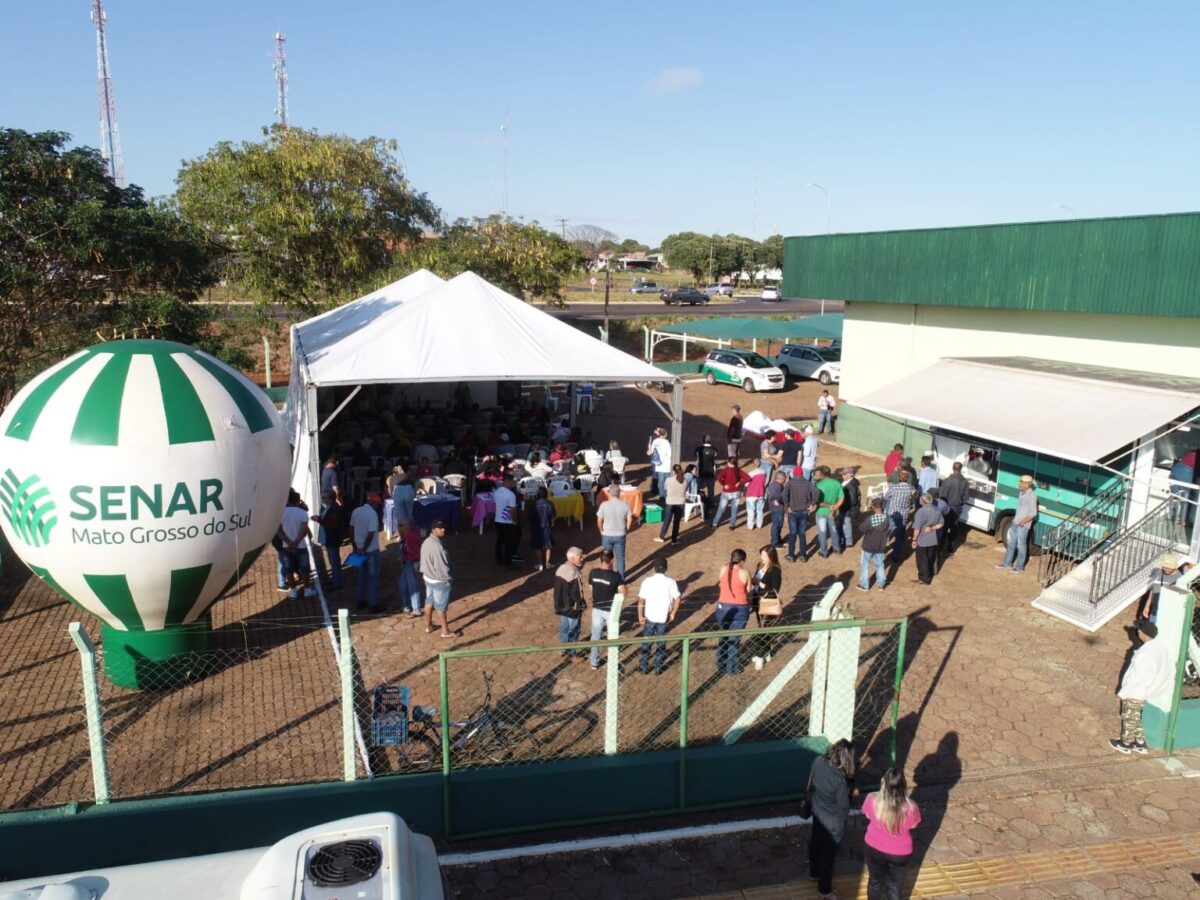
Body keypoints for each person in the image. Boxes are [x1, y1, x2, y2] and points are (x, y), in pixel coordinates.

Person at [1110, 620, 1176, 754]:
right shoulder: (1159, 649)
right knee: (1135, 716)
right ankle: (1140, 742)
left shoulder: (1145, 654)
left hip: (1137, 690)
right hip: (1148, 690)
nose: (1137, 632)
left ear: (1145, 634)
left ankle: (1126, 743)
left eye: (1139, 630)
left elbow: (1136, 678)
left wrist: (1124, 693)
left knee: (1129, 716)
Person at [863, 768, 922, 900]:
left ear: (883, 783)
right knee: (894, 885)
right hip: (900, 853)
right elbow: (914, 824)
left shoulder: (872, 799)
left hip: (873, 847)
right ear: (903, 785)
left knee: (875, 881)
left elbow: (867, 815)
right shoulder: (911, 807)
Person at [808, 739, 857, 900]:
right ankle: (824, 890)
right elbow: (843, 806)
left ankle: (813, 872)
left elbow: (811, 781)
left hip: (817, 808)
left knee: (815, 842)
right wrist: (852, 795)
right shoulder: (840, 780)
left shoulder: (818, 761)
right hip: (833, 821)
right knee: (828, 856)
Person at [637, 557, 681, 675]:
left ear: (654, 568)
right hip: (663, 618)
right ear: (666, 568)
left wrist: (640, 616)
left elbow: (641, 601)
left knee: (647, 641)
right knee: (661, 642)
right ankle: (658, 666)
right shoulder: (671, 582)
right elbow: (677, 598)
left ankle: (644, 665)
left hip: (649, 618)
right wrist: (673, 613)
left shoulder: (647, 581)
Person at [421, 520, 461, 638]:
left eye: (443, 527)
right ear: (433, 530)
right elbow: (442, 567)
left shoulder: (426, 542)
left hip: (428, 578)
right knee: (441, 607)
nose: (443, 530)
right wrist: (448, 578)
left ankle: (428, 626)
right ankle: (445, 631)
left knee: (429, 602)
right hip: (439, 581)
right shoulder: (438, 547)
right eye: (440, 528)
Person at [714, 549, 751, 675]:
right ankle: (732, 668)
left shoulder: (723, 569)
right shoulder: (745, 572)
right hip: (740, 607)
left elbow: (721, 580)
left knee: (723, 635)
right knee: (734, 639)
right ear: (742, 561)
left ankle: (720, 663)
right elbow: (749, 589)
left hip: (723, 607)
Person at [588, 548, 625, 669]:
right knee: (612, 635)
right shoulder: (615, 576)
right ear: (612, 560)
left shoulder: (593, 573)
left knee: (595, 635)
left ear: (600, 559)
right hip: (611, 610)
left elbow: (591, 588)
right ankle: (613, 662)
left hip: (597, 608)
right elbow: (623, 592)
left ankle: (594, 661)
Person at [277, 490, 316, 600]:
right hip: (301, 546)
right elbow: (303, 531)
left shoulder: (281, 513)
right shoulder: (302, 513)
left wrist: (289, 543)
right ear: (298, 501)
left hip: (286, 546)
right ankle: (307, 590)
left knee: (289, 569)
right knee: (304, 569)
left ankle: (293, 591)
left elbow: (279, 531)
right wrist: (295, 542)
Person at [996, 474, 1038, 573]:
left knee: (1021, 545)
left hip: (1023, 525)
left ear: (1027, 485)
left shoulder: (1032, 496)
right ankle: (1007, 563)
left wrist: (1023, 522)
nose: (1020, 484)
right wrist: (1015, 520)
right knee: (1011, 543)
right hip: (1015, 522)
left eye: (1022, 482)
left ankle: (1019, 567)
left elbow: (1033, 513)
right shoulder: (1021, 493)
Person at [348, 493, 383, 612]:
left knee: (361, 576)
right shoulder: (372, 514)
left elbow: (351, 529)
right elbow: (371, 533)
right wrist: (364, 548)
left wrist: (355, 546)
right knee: (373, 577)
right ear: (374, 503)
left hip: (358, 549)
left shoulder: (356, 511)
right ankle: (373, 604)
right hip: (371, 550)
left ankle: (361, 601)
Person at [554, 547, 587, 662]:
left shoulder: (560, 569)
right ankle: (572, 654)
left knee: (564, 627)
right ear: (572, 558)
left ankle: (562, 648)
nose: (582, 558)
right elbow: (577, 593)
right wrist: (582, 604)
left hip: (562, 605)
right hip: (573, 607)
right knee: (574, 630)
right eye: (580, 556)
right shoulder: (574, 573)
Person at [596, 486, 633, 578]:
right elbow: (630, 519)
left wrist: (601, 531)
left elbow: (599, 520)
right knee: (620, 557)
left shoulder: (604, 504)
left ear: (610, 493)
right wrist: (627, 528)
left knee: (607, 557)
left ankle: (609, 577)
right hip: (620, 534)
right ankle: (621, 579)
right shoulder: (625, 504)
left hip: (607, 535)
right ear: (619, 493)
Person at [311, 490, 345, 590]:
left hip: (333, 538)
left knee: (334, 560)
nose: (322, 499)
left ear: (330, 499)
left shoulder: (334, 509)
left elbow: (332, 524)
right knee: (331, 559)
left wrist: (319, 520)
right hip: (328, 538)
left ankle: (337, 583)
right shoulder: (325, 508)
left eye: (324, 498)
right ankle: (335, 580)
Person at [1135, 553, 1182, 624]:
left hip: (1168, 613)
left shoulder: (1180, 578)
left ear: (1175, 567)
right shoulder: (1158, 573)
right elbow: (1153, 590)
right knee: (1151, 631)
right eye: (1164, 567)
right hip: (1154, 610)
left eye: (1169, 568)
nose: (1166, 569)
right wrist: (1147, 606)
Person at [784, 469, 817, 563]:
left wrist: (787, 506)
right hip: (804, 511)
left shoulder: (790, 483)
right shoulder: (807, 483)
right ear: (802, 474)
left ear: (794, 474)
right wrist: (812, 503)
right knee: (802, 533)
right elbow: (816, 492)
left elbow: (784, 494)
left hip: (793, 511)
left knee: (792, 533)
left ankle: (791, 555)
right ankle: (803, 556)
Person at [857, 498, 890, 591]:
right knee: (880, 564)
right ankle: (881, 584)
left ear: (874, 506)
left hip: (868, 545)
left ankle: (865, 585)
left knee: (865, 565)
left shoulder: (870, 519)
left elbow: (862, 528)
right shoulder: (887, 518)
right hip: (880, 545)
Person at [911, 492, 944, 586]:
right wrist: (932, 528)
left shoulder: (921, 512)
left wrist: (914, 540)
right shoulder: (937, 510)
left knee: (922, 560)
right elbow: (941, 524)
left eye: (921, 499)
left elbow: (917, 528)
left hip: (922, 539)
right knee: (930, 558)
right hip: (933, 539)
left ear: (923, 501)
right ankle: (928, 575)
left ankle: (924, 579)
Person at [884, 470, 916, 567]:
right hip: (904, 515)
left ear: (898, 478)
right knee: (899, 537)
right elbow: (912, 499)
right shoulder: (911, 488)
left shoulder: (894, 487)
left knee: (886, 533)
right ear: (907, 478)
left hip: (893, 513)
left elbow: (886, 496)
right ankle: (895, 556)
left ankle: (880, 550)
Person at [813, 466, 845, 557]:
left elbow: (817, 502)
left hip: (821, 512)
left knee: (822, 532)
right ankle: (837, 549)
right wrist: (835, 507)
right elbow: (841, 498)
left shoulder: (818, 485)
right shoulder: (837, 483)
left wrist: (828, 506)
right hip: (833, 512)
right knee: (834, 531)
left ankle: (824, 552)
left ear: (821, 474)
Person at [492, 473, 522, 568]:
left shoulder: (496, 492)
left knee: (500, 540)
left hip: (498, 520)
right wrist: (515, 521)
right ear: (508, 482)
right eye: (513, 482)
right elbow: (513, 511)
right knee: (510, 542)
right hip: (508, 521)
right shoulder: (511, 495)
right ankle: (508, 562)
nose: (514, 483)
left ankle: (499, 559)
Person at [395, 517, 423, 617]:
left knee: (413, 586)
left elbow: (415, 553)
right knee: (403, 585)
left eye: (401, 525)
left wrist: (404, 557)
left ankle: (416, 609)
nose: (399, 528)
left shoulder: (411, 537)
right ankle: (406, 605)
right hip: (406, 563)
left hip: (411, 563)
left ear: (408, 526)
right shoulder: (405, 536)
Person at [939, 461, 969, 554]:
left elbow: (942, 495)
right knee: (954, 527)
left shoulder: (947, 481)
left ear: (953, 468)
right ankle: (950, 548)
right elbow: (966, 496)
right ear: (961, 469)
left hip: (947, 506)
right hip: (957, 507)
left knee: (943, 527)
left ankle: (940, 547)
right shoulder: (965, 482)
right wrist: (961, 503)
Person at [712, 458, 751, 530]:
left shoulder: (726, 470)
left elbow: (718, 477)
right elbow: (748, 478)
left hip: (726, 492)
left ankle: (715, 523)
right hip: (736, 492)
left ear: (728, 462)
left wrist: (723, 484)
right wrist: (740, 483)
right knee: (734, 510)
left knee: (721, 509)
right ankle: (732, 525)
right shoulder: (738, 471)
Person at [751, 544, 783, 624]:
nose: (762, 558)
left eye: (765, 556)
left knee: (766, 624)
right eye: (761, 555)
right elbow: (756, 578)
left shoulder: (775, 570)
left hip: (767, 602)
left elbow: (775, 590)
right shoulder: (760, 565)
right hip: (757, 598)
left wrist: (760, 584)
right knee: (759, 621)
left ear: (771, 557)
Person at [656, 464, 687, 544]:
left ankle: (661, 537)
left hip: (670, 502)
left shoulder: (669, 480)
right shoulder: (685, 480)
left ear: (673, 471)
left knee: (667, 520)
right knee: (676, 522)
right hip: (680, 503)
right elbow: (685, 489)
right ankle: (674, 540)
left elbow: (665, 488)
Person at [529, 486, 556, 572]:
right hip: (547, 526)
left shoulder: (534, 504)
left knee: (538, 546)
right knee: (548, 545)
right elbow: (553, 515)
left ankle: (540, 564)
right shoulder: (550, 503)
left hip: (537, 527)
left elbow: (531, 516)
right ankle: (547, 563)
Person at [837, 466, 861, 549]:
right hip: (846, 508)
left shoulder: (851, 485)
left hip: (848, 509)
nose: (843, 476)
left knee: (846, 524)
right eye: (843, 474)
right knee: (845, 524)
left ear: (850, 475)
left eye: (844, 474)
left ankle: (849, 541)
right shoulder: (849, 483)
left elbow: (853, 500)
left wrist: (840, 504)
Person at [647, 427, 673, 500]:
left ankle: (662, 496)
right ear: (665, 434)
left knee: (661, 482)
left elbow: (651, 451)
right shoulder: (667, 442)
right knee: (666, 482)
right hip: (667, 466)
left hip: (659, 466)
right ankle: (666, 495)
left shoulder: (655, 441)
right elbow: (670, 454)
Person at [694, 435, 718, 509]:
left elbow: (696, 456)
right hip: (711, 473)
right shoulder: (714, 450)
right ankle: (711, 503)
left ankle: (698, 502)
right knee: (711, 489)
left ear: (702, 441)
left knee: (697, 488)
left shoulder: (698, 449)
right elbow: (715, 458)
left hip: (700, 472)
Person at [767, 470, 788, 549]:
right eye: (784, 478)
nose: (785, 480)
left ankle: (778, 539)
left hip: (777, 508)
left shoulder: (776, 485)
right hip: (777, 509)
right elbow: (778, 497)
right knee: (777, 525)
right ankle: (775, 543)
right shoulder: (776, 486)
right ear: (779, 478)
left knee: (779, 525)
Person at [744, 463, 768, 530]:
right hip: (761, 493)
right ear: (760, 464)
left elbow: (746, 484)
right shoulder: (764, 472)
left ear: (754, 464)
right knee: (760, 510)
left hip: (751, 494)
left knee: (750, 510)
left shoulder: (751, 473)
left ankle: (750, 525)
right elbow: (765, 482)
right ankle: (759, 524)